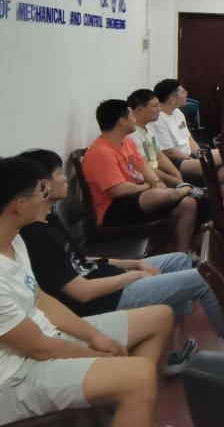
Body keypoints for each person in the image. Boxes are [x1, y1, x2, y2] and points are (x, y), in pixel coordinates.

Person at [0, 156, 174, 425]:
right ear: (19, 204)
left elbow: (41, 299)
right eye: (41, 192)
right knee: (138, 375)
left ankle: (128, 408)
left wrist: (95, 337)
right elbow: (37, 349)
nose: (46, 198)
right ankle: (131, 396)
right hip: (13, 376)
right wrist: (99, 356)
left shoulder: (15, 241)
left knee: (160, 317)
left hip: (46, 338)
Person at [18, 150, 224, 356]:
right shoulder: (36, 235)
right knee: (203, 279)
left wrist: (134, 264)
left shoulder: (49, 219)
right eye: (59, 173)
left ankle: (174, 349)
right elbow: (82, 292)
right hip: (106, 299)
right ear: (43, 184)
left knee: (179, 260)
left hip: (108, 278)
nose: (65, 178)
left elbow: (79, 260)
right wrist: (134, 276)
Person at [81, 100, 198, 253]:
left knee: (188, 204)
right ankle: (186, 189)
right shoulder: (101, 152)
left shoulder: (126, 142)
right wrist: (149, 186)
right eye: (131, 116)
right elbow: (119, 190)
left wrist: (156, 181)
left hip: (136, 196)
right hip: (112, 209)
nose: (135, 119)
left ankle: (182, 255)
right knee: (156, 195)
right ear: (121, 121)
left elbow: (143, 166)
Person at [151, 79, 224, 180]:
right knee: (208, 165)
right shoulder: (158, 119)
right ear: (172, 99)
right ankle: (214, 186)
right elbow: (169, 152)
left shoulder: (177, 112)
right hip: (176, 161)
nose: (186, 93)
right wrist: (192, 159)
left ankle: (217, 186)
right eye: (183, 92)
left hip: (190, 155)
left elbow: (189, 139)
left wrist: (199, 154)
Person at [126, 89, 190, 189]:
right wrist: (176, 181)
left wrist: (178, 176)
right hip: (147, 180)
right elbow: (146, 168)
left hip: (158, 174)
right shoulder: (132, 135)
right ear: (139, 110)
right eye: (155, 106)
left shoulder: (148, 127)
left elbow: (159, 156)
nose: (159, 110)